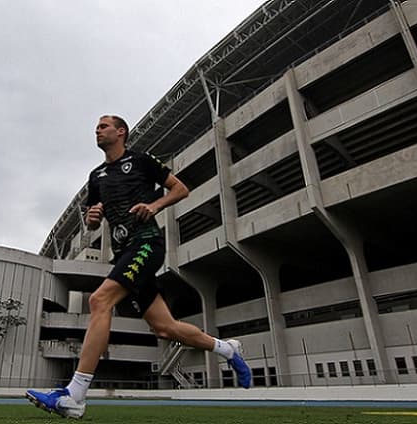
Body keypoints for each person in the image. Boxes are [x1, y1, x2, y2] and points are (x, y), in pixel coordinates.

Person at [26, 115, 251, 418]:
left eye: (104, 125)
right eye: (97, 126)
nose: (98, 129)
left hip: (146, 243)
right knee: (164, 327)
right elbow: (96, 216)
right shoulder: (96, 176)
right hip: (123, 253)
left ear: (121, 132)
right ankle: (226, 349)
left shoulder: (141, 160)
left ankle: (75, 395)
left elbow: (180, 189)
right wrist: (93, 219)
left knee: (99, 299)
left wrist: (154, 205)